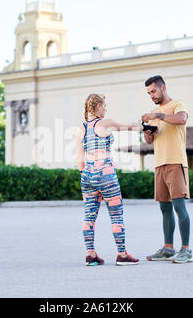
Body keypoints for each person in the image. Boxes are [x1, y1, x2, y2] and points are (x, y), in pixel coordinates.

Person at [75, 94, 150, 266]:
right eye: (104, 105)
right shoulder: (105, 123)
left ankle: (90, 255)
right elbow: (128, 126)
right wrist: (146, 127)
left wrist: (86, 177)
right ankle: (122, 255)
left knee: (88, 216)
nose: (106, 109)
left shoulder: (82, 128)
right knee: (116, 216)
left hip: (87, 175)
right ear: (98, 106)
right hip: (106, 174)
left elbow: (80, 160)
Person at [141, 75, 193, 264]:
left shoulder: (178, 104)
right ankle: (168, 248)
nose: (152, 95)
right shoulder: (154, 112)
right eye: (149, 93)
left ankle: (186, 250)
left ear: (163, 87)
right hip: (160, 164)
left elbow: (182, 119)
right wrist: (147, 132)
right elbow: (150, 140)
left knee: (179, 206)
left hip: (176, 161)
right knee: (164, 207)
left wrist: (159, 115)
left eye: (153, 91)